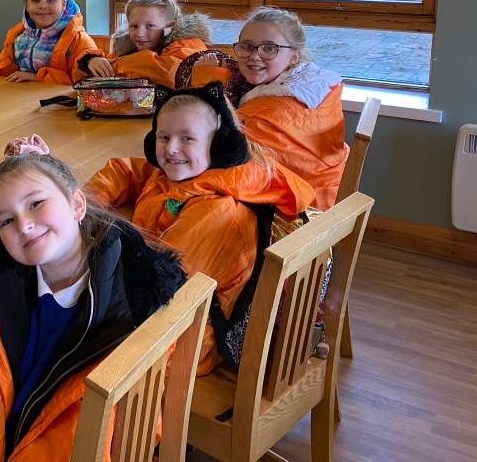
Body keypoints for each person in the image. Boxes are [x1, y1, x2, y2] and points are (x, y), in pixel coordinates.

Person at [0, 152, 186, 461]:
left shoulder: (135, 306)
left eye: (35, 203)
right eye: (7, 221)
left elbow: (103, 434)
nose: (24, 225)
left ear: (77, 204)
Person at [83, 82, 315, 374]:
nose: (172, 148)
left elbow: (160, 284)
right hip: (158, 313)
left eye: (187, 138)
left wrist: (96, 241)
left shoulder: (217, 211)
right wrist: (86, 205)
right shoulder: (185, 177)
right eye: (163, 137)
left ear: (220, 146)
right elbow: (125, 171)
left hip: (185, 340)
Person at [191, 6, 349, 210]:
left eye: (270, 48)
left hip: (297, 213)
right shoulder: (311, 85)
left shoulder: (277, 109)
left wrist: (206, 85)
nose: (254, 56)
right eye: (247, 46)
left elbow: (213, 150)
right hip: (319, 193)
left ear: (294, 57)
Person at [74, 0, 211, 86]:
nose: (140, 34)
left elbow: (173, 74)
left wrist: (120, 64)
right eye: (134, 26)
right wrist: (90, 61)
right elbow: (82, 80)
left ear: (169, 26)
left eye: (150, 26)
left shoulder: (188, 44)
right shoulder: (126, 47)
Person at [0, 0, 98, 85]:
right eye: (35, 0)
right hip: (21, 94)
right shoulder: (16, 36)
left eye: (50, 0)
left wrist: (37, 77)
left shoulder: (77, 39)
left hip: (59, 96)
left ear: (63, 5)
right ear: (27, 5)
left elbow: (80, 84)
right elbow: (2, 74)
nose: (42, 6)